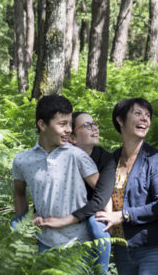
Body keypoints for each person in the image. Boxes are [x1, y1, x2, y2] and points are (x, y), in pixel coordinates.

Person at [95, 98, 158, 275]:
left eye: (148, 115)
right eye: (138, 114)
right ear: (120, 120)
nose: (144, 119)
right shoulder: (110, 160)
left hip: (154, 249)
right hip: (123, 250)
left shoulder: (156, 159)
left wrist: (123, 215)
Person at [11, 95, 99, 254]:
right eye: (62, 124)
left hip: (78, 244)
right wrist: (26, 221)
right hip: (44, 243)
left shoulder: (77, 155)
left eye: (70, 124)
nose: (69, 130)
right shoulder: (22, 161)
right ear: (42, 125)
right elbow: (19, 193)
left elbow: (102, 192)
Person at [35, 111, 114, 275]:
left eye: (95, 124)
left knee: (96, 224)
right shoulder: (61, 157)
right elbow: (50, 189)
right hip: (69, 210)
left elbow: (101, 199)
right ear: (72, 138)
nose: (95, 129)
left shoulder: (106, 159)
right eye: (87, 125)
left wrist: (68, 219)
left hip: (93, 211)